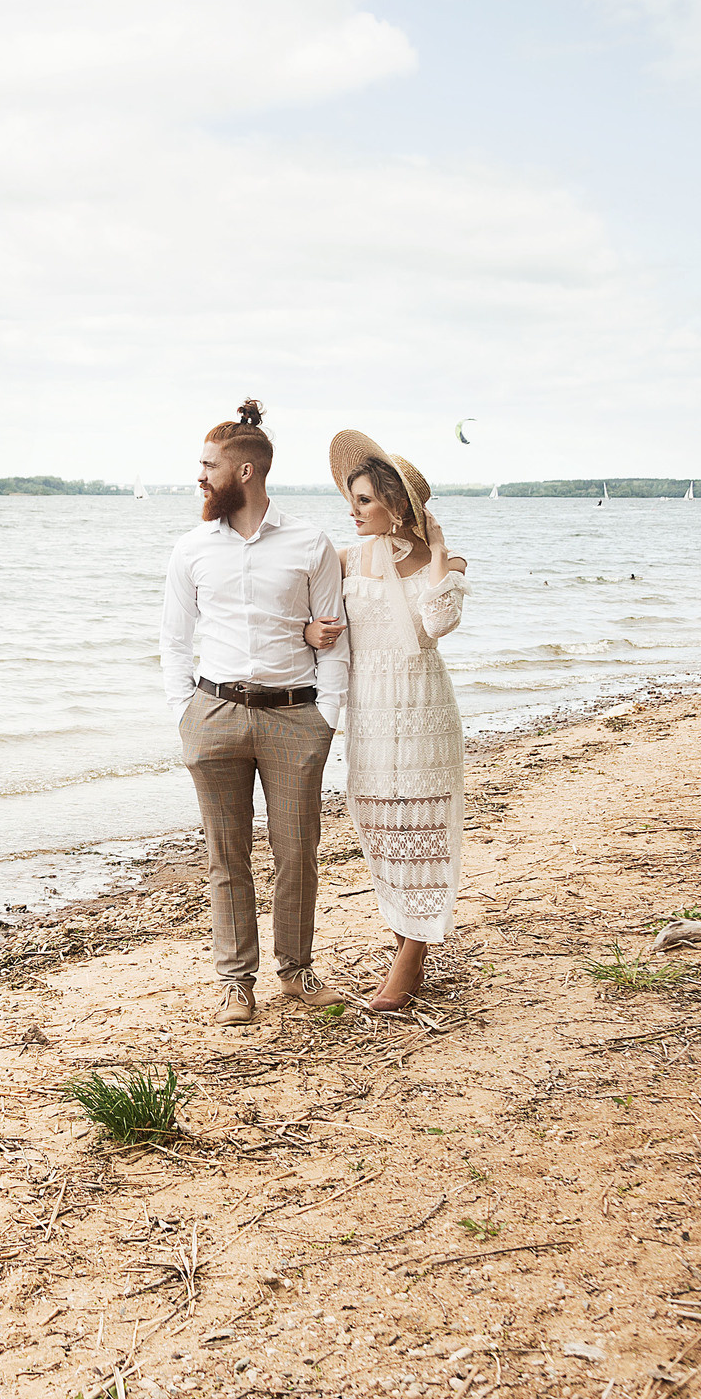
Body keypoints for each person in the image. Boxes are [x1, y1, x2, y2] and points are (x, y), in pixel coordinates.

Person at [160, 400, 351, 1025]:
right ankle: (236, 983)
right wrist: (183, 709)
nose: (200, 475)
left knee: (297, 851)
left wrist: (327, 714)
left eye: (209, 465)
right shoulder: (191, 548)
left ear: (245, 472)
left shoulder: (309, 542)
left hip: (295, 717)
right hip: (214, 714)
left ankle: (296, 972)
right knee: (226, 855)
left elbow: (336, 633)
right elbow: (174, 638)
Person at [322, 429, 468, 1011]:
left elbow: (438, 622)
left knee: (424, 832)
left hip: (425, 708)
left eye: (363, 501)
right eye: (350, 499)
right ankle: (407, 935)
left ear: (397, 505)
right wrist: (311, 633)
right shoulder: (343, 558)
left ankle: (410, 962)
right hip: (370, 710)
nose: (351, 510)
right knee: (382, 826)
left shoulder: (447, 564)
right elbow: (304, 610)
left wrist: (435, 553)